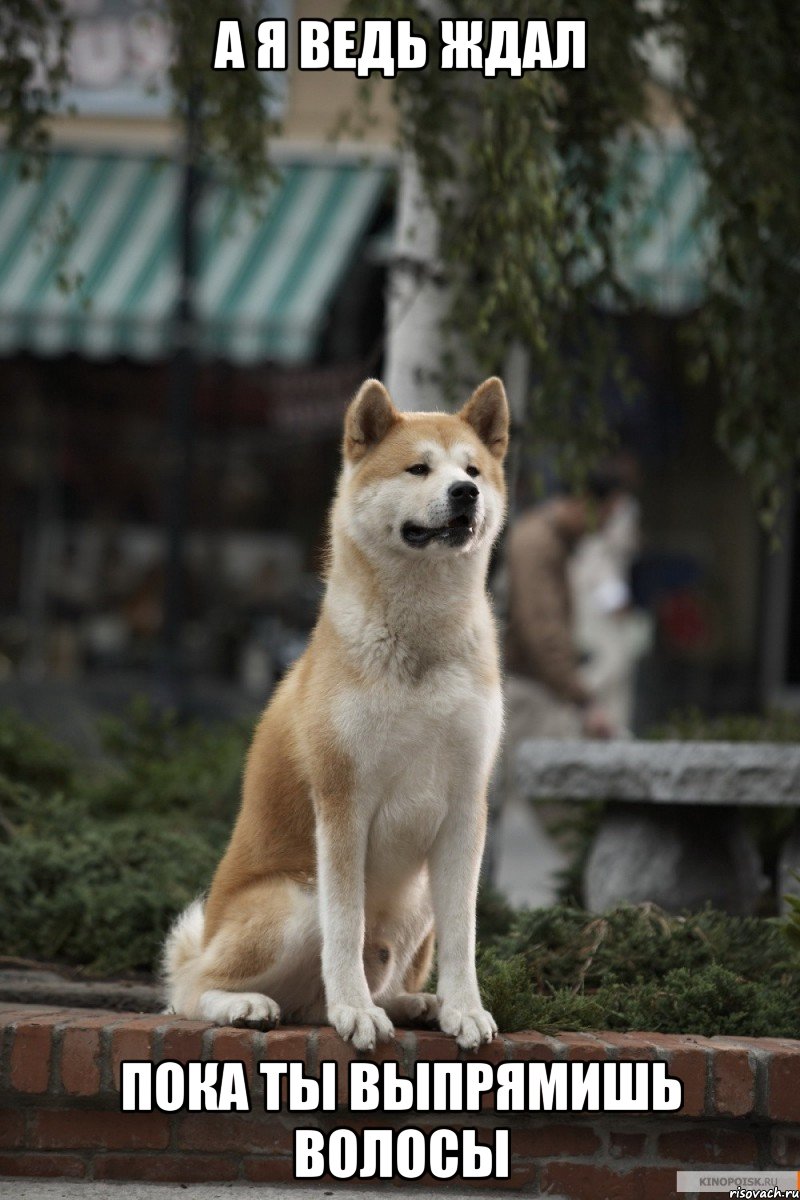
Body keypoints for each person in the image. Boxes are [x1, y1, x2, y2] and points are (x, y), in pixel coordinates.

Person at [504, 470, 627, 743]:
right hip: (527, 691)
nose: (605, 527)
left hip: (537, 687)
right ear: (586, 502)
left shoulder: (551, 541)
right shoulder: (538, 544)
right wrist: (583, 701)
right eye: (606, 515)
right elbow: (542, 630)